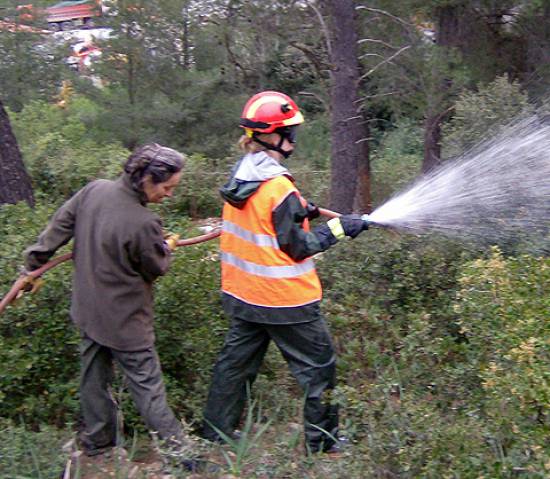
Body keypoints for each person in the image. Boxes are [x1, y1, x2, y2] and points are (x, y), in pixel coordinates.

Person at [202, 91, 369, 453]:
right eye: (290, 130)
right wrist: (341, 229)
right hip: (285, 302)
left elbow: (264, 220)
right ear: (277, 135)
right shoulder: (279, 188)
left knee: (234, 368)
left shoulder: (243, 174)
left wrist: (301, 213)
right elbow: (299, 247)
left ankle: (213, 437)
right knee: (319, 369)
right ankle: (323, 444)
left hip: (243, 295)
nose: (294, 137)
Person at [22, 143, 197, 467]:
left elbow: (59, 225)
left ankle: (98, 444)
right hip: (127, 322)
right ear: (145, 178)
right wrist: (165, 247)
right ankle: (181, 455)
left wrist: (34, 261)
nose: (170, 194)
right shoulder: (144, 222)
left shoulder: (95, 190)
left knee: (93, 378)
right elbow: (155, 268)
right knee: (148, 388)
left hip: (89, 310)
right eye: (167, 187)